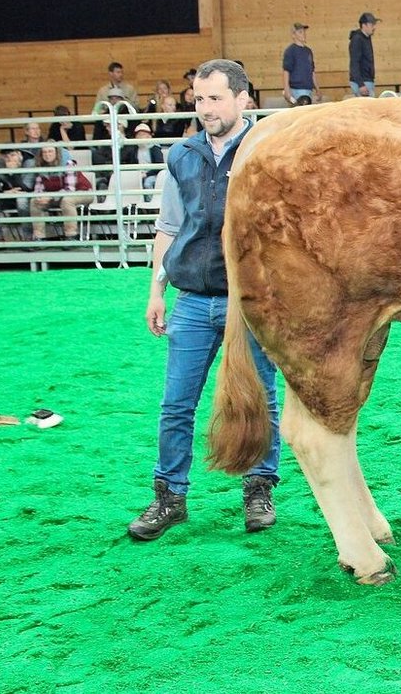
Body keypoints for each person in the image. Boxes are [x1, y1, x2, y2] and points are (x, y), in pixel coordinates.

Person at [127, 58, 282, 542]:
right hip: (192, 298)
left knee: (262, 399)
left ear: (243, 99)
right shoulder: (181, 155)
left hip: (250, 301)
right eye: (199, 99)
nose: (205, 108)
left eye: (215, 98)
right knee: (176, 404)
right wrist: (156, 289)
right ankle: (169, 496)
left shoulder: (268, 151)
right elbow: (169, 227)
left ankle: (260, 490)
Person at [29, 144, 93, 241]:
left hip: (82, 192)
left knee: (67, 200)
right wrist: (40, 198)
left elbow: (69, 190)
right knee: (35, 201)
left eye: (50, 151)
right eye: (44, 152)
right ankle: (38, 237)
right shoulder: (40, 166)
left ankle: (71, 235)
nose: (47, 154)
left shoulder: (68, 164)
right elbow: (38, 189)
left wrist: (50, 197)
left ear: (57, 153)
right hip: (56, 196)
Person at [121, 122, 166, 189]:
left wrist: (146, 174)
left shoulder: (155, 148)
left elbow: (159, 166)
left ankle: (149, 199)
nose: (140, 137)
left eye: (143, 135)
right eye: (138, 135)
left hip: (153, 175)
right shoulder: (134, 149)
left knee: (147, 183)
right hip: (137, 175)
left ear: (149, 136)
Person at [282, 22, 319, 105]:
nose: (304, 34)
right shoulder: (290, 51)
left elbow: (312, 71)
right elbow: (286, 71)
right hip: (296, 88)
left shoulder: (308, 51)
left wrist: (317, 89)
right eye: (300, 32)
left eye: (304, 32)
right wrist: (287, 90)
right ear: (293, 35)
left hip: (308, 88)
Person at [348, 12, 380, 97]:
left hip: (366, 80)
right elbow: (354, 63)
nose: (374, 27)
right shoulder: (357, 39)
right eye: (372, 24)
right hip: (362, 82)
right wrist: (361, 84)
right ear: (364, 25)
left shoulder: (366, 38)